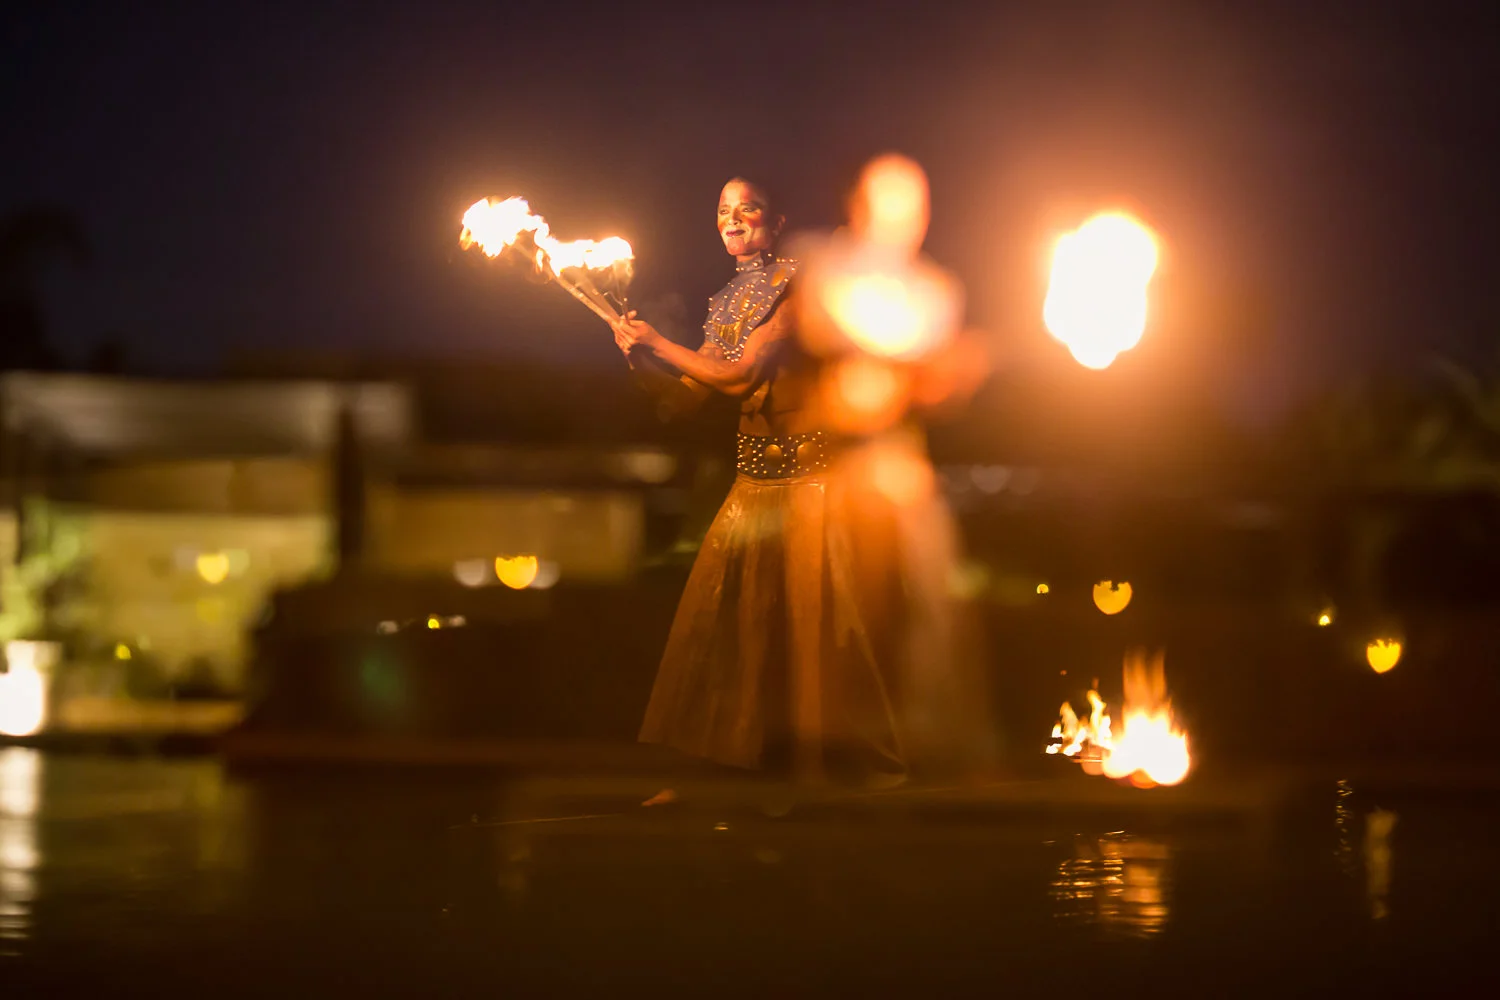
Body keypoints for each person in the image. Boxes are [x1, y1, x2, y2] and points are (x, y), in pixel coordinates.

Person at [614, 171, 995, 800]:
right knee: (730, 631)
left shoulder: (802, 285)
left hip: (808, 485)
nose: (734, 219)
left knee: (824, 634)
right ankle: (722, 773)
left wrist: (661, 342)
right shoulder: (725, 301)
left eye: (750, 208)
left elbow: (736, 380)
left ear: (778, 219)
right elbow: (685, 400)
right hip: (751, 481)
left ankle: (857, 772)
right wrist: (641, 358)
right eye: (723, 210)